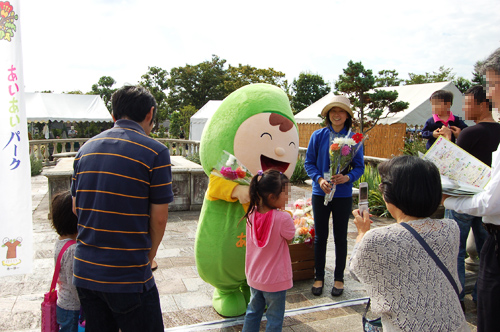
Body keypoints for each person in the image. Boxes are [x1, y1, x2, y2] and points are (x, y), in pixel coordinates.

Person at [71, 85, 174, 332]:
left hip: (85, 273)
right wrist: (148, 258)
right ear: (150, 113)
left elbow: (76, 208)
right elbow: (159, 219)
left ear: (114, 116)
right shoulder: (155, 152)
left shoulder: (84, 150)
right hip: (128, 276)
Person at [351, 156, 469, 332]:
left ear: (391, 194)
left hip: (406, 325)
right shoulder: (450, 228)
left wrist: (362, 233)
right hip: (454, 323)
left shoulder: (377, 238)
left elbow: (355, 270)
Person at [443, 47, 500, 332]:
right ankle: (477, 295)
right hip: (487, 214)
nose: (490, 93)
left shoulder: (469, 132)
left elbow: (454, 170)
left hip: (470, 201)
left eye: (491, 85)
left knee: (456, 251)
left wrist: (448, 199)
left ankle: (456, 297)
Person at [304, 94, 364, 297]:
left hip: (343, 194)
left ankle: (339, 278)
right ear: (328, 115)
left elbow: (359, 167)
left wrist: (347, 178)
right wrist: (320, 180)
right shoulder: (318, 135)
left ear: (347, 115)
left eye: (341, 111)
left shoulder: (355, 138)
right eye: (333, 111)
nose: (336, 115)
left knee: (340, 237)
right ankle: (318, 276)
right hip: (320, 192)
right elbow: (308, 163)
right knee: (320, 237)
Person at [241, 169, 295, 332]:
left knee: (252, 312)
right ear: (272, 197)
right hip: (275, 280)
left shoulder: (251, 214)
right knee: (274, 318)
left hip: (255, 277)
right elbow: (290, 238)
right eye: (286, 194)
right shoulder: (283, 218)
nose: (288, 198)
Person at [51, 191, 80, 332]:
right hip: (73, 308)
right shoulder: (73, 249)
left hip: (62, 303)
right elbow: (74, 283)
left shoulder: (60, 242)